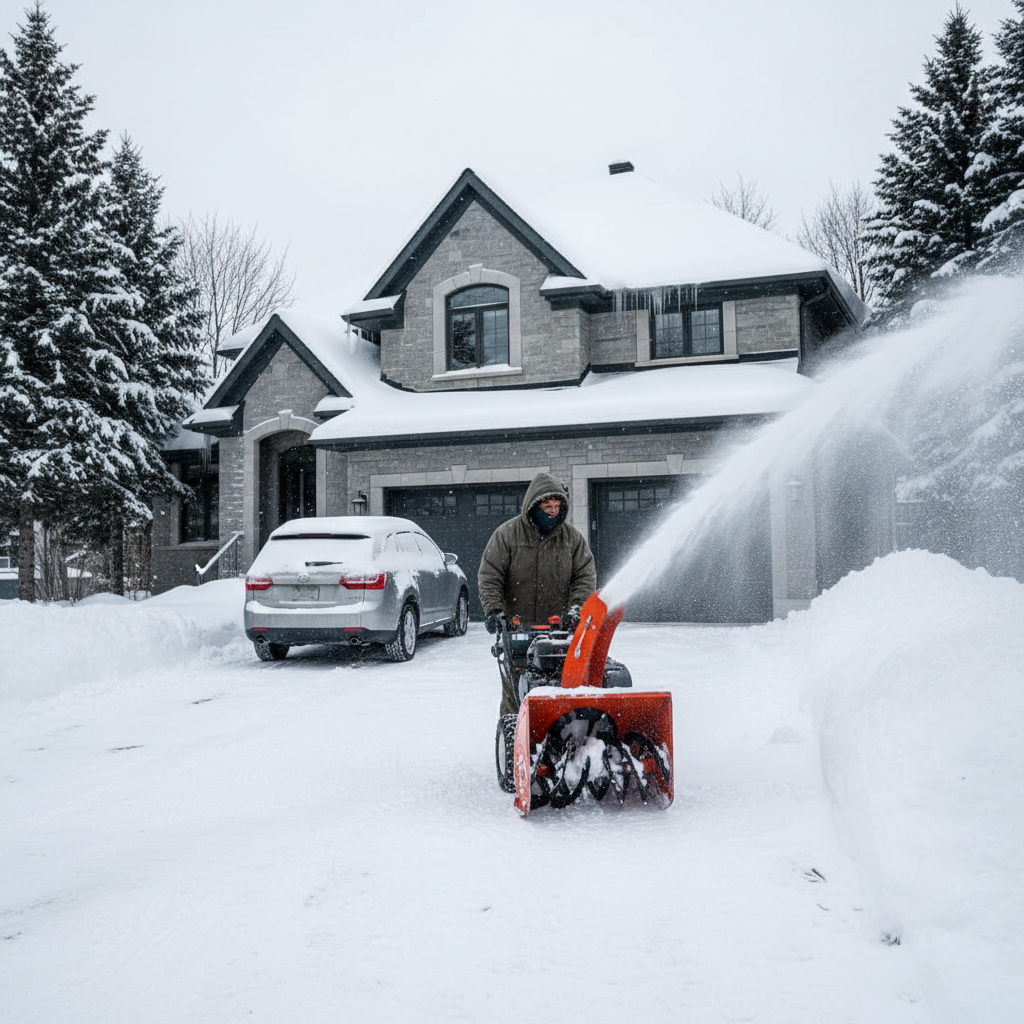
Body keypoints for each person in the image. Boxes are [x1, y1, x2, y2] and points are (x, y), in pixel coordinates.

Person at [478, 472, 596, 716]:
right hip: (518, 628)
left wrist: (577, 608)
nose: (553, 511)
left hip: (560, 631)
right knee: (516, 692)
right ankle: (513, 739)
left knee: (562, 688)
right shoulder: (507, 535)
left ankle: (558, 735)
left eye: (557, 506)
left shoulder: (572, 539)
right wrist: (494, 610)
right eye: (547, 506)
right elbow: (490, 576)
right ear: (533, 506)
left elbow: (584, 577)